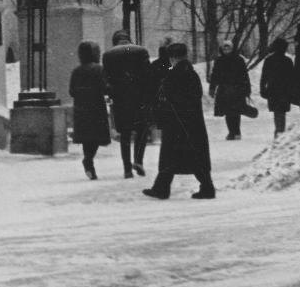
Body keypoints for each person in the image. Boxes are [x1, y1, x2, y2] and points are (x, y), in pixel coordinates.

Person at [144, 42, 215, 200]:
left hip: (178, 123)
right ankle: (205, 187)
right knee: (193, 157)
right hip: (190, 123)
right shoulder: (189, 72)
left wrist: (163, 112)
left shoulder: (176, 73)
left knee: (172, 156)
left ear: (173, 57)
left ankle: (162, 189)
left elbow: (171, 98)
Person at [102, 30, 155, 177]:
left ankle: (126, 169)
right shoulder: (141, 51)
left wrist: (113, 92)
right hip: (140, 99)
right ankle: (138, 160)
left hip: (121, 101)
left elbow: (106, 79)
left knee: (125, 134)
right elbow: (149, 75)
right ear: (129, 39)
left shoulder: (108, 55)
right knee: (142, 131)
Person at [68, 41, 111, 179]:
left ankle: (88, 160)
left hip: (81, 108)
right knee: (97, 137)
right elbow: (105, 88)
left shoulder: (76, 71)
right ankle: (88, 159)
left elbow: (72, 91)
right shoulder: (99, 69)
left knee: (87, 138)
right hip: (96, 107)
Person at [208, 41, 252, 140]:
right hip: (225, 90)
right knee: (228, 111)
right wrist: (212, 88)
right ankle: (232, 132)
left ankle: (236, 132)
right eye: (224, 48)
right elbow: (215, 75)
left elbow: (244, 75)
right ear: (222, 49)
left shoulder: (238, 60)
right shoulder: (219, 61)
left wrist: (247, 89)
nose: (226, 50)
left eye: (228, 48)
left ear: (232, 49)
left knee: (236, 111)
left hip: (237, 89)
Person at [259, 36, 295, 135]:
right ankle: (280, 131)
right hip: (284, 91)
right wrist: (292, 91)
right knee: (281, 112)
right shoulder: (287, 61)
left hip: (273, 90)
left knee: (277, 112)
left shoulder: (269, 60)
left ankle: (279, 131)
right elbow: (292, 78)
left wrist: (262, 89)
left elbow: (264, 77)